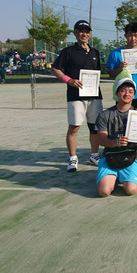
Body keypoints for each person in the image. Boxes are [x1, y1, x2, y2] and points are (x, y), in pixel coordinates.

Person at [51, 20, 103, 171]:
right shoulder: (68, 52)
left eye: (87, 31)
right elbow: (55, 69)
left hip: (94, 96)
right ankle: (73, 158)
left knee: (94, 128)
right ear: (75, 33)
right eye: (81, 31)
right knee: (74, 128)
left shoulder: (95, 52)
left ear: (90, 34)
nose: (84, 34)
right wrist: (69, 80)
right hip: (75, 97)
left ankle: (94, 155)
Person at [106, 22, 137, 164]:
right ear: (125, 36)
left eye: (135, 36)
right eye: (130, 35)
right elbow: (110, 73)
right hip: (123, 94)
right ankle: (126, 150)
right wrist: (119, 68)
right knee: (122, 123)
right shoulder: (116, 53)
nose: (132, 39)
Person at [95, 78, 137, 197]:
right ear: (116, 93)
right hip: (110, 156)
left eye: (130, 91)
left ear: (134, 95)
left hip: (131, 157)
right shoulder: (105, 115)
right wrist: (116, 143)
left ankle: (124, 176)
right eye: (123, 91)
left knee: (131, 190)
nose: (127, 94)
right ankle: (113, 176)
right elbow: (101, 140)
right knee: (104, 192)